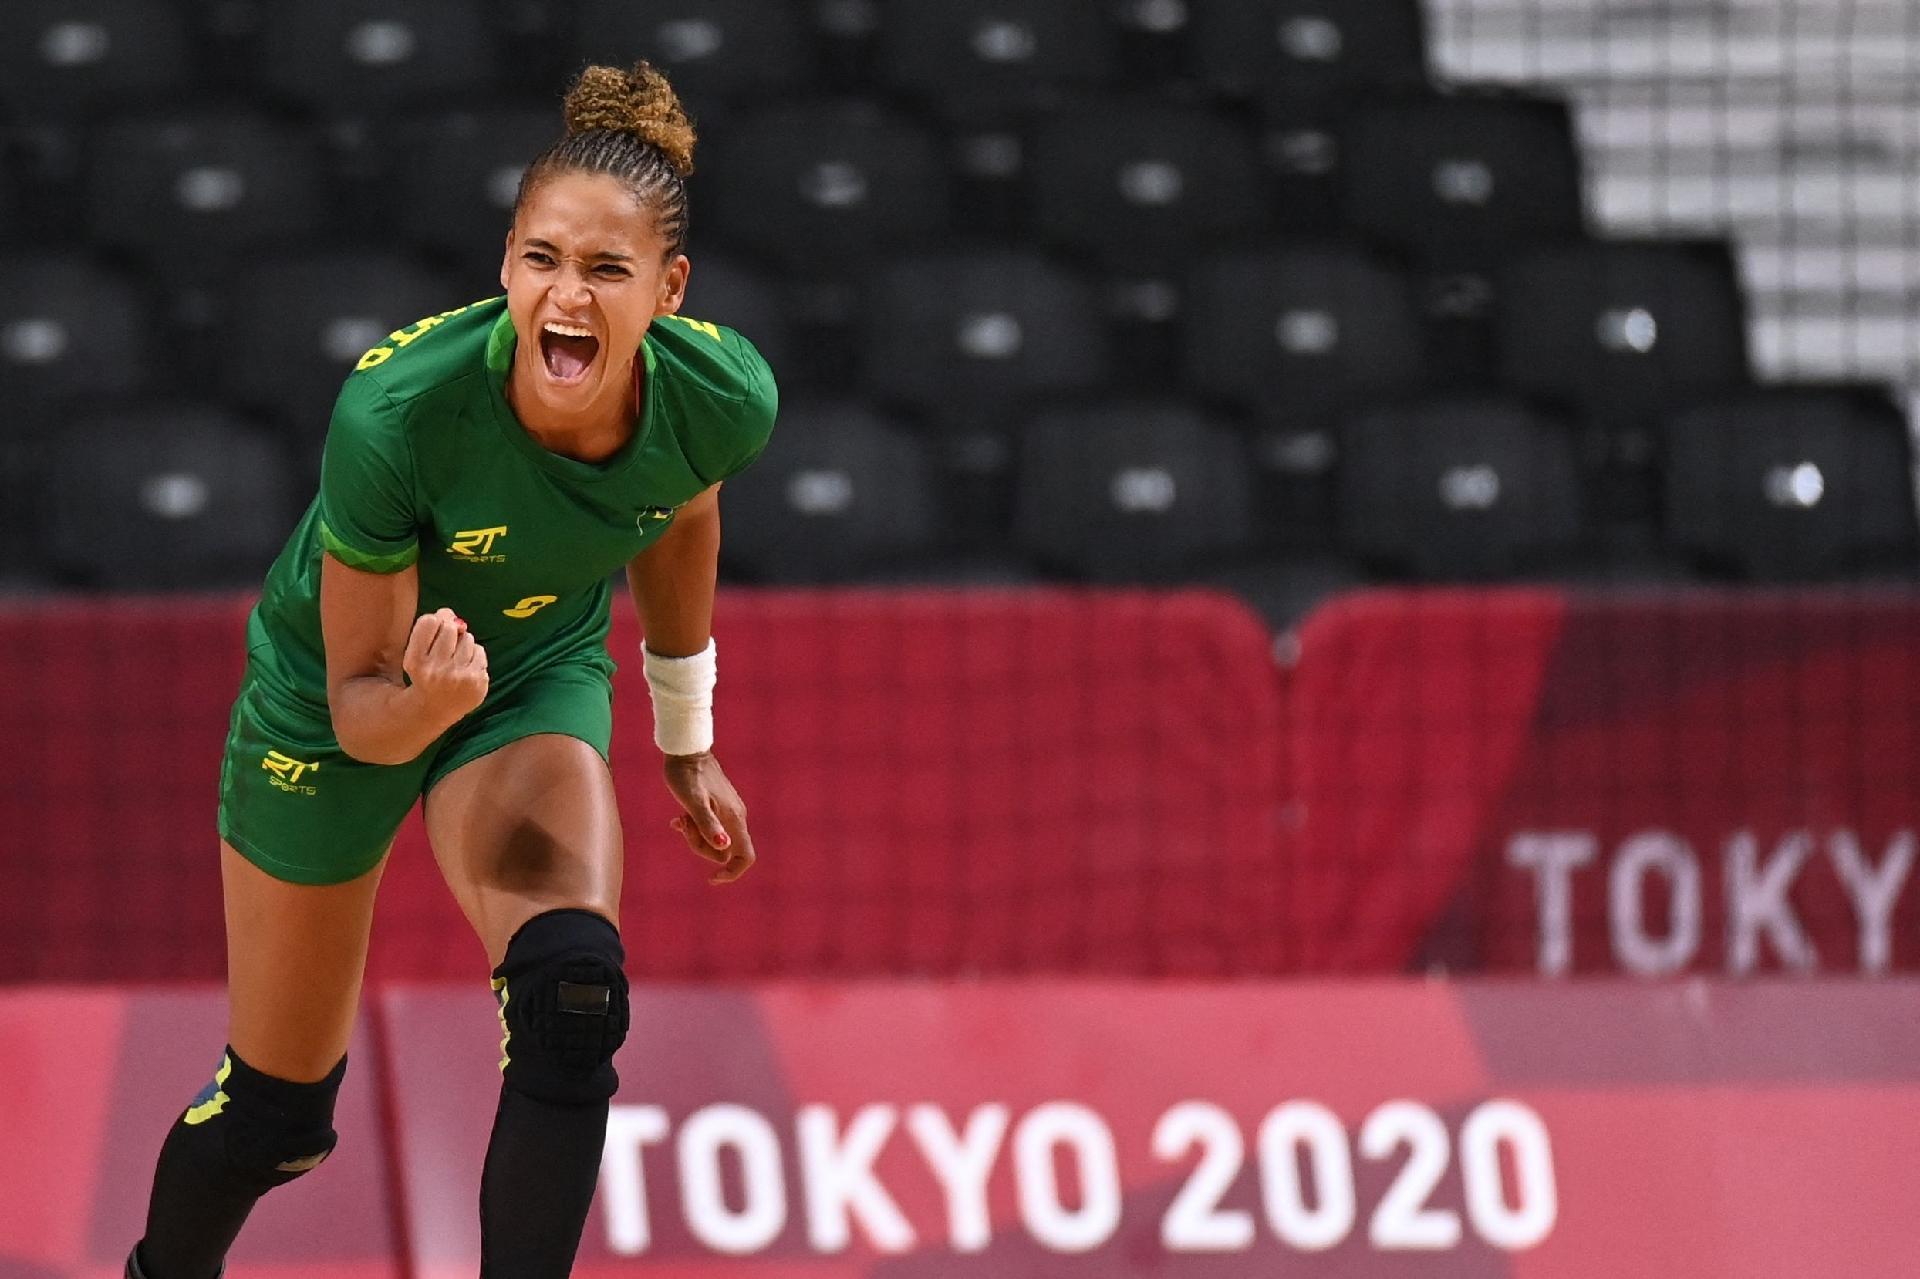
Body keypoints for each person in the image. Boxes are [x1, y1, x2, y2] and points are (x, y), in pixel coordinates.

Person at [126, 61, 773, 1279]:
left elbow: (679, 516)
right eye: (542, 259)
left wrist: (684, 737)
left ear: (669, 292)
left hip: (530, 670)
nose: (565, 296)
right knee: (276, 1114)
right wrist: (420, 705)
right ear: (506, 262)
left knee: (574, 1004)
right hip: (335, 701)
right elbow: (364, 703)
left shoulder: (721, 396)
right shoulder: (396, 415)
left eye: (605, 270)